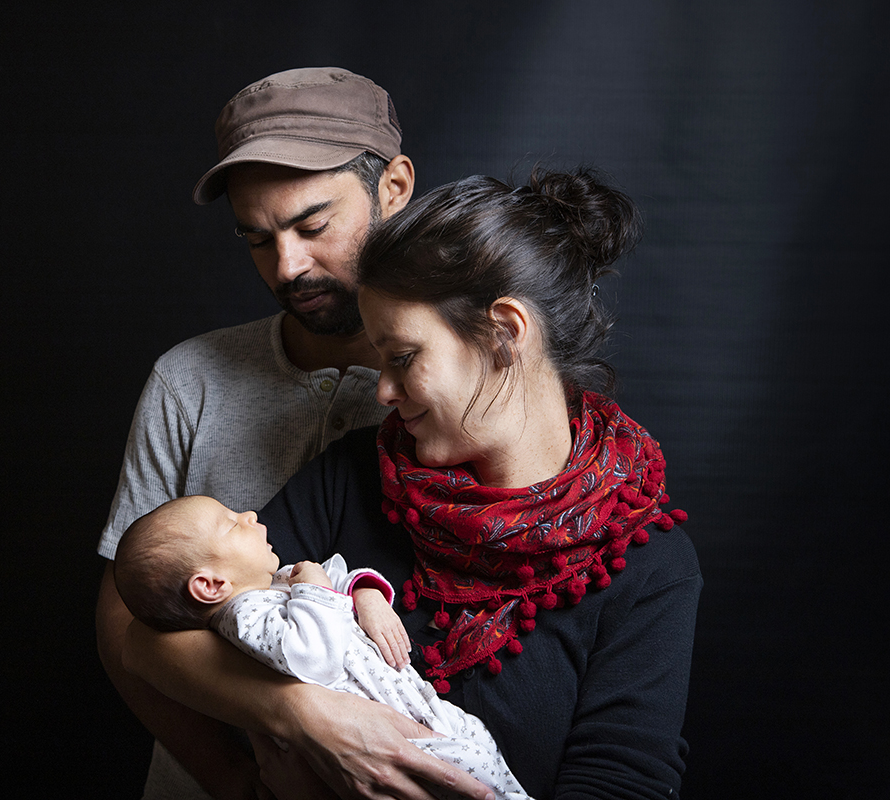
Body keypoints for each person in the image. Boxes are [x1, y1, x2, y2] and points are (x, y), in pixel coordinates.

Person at [124, 168, 703, 800]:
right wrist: (306, 716)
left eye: (401, 358)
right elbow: (153, 638)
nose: (382, 391)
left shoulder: (647, 564)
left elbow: (622, 781)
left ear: (505, 333)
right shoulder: (354, 475)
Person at [95, 67, 419, 799]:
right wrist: (235, 779)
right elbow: (124, 621)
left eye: (313, 226)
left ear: (394, 188)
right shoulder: (188, 381)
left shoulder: (450, 394)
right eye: (257, 238)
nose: (288, 266)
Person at [114, 495, 535, 800]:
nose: (249, 515)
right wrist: (313, 583)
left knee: (484, 760)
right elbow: (313, 655)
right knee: (470, 778)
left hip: (413, 709)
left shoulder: (270, 585)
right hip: (390, 735)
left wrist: (365, 593)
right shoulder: (243, 618)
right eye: (231, 524)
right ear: (211, 585)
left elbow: (334, 577)